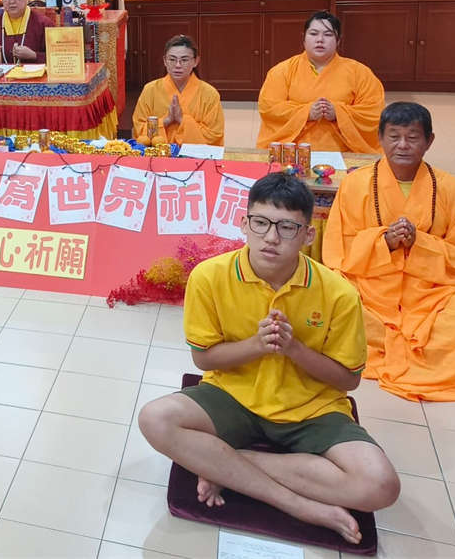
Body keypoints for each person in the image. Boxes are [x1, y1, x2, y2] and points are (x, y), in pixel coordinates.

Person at [138, 173, 399, 545]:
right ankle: (296, 504)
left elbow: (348, 380)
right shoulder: (209, 277)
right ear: (244, 224)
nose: (271, 238)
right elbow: (204, 360)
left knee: (381, 485)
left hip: (313, 407)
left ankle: (225, 463)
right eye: (260, 223)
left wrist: (294, 349)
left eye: (287, 227)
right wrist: (257, 345)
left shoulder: (339, 293)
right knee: (155, 418)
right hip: (233, 395)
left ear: (308, 235)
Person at [324, 102, 455, 401]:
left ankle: (409, 351)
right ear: (380, 138)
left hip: (432, 294)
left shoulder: (453, 190)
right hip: (371, 291)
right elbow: (337, 249)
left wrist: (420, 244)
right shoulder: (354, 185)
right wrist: (383, 242)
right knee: (332, 307)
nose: (402, 145)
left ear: (429, 141)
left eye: (412, 137)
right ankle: (415, 350)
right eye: (394, 136)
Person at [257, 11, 383, 153]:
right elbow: (269, 107)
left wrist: (338, 113)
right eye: (313, 33)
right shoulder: (282, 70)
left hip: (344, 151)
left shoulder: (360, 72)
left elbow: (373, 112)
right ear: (304, 39)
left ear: (338, 40)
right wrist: (307, 113)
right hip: (292, 151)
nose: (320, 40)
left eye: (328, 35)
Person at [131, 35, 224, 146]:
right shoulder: (150, 90)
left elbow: (214, 134)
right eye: (172, 59)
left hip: (194, 155)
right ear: (165, 61)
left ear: (196, 61)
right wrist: (166, 121)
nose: (178, 65)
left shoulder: (209, 94)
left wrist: (182, 120)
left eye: (184, 60)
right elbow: (139, 129)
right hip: (159, 153)